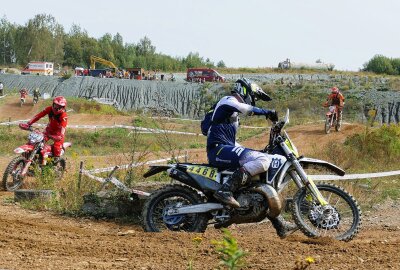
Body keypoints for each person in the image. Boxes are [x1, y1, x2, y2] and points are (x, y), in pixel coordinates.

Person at [206, 78, 297, 238]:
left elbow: (233, 143)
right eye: (254, 96)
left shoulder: (232, 117)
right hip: (219, 150)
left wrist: (259, 151)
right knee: (263, 160)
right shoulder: (228, 100)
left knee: (261, 165)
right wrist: (266, 112)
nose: (254, 100)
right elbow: (245, 108)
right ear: (246, 91)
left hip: (224, 149)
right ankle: (225, 191)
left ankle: (280, 225)